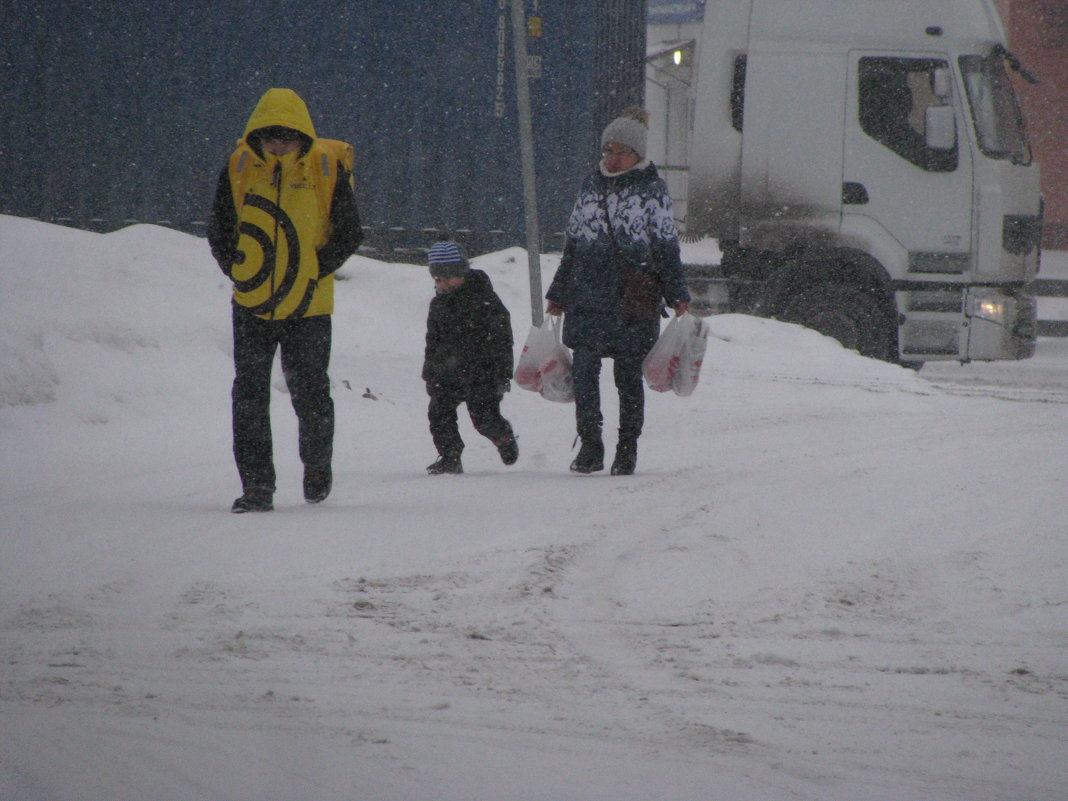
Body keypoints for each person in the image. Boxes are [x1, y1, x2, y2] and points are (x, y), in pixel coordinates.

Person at [207, 88, 363, 512]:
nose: (278, 145)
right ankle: (257, 486)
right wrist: (240, 271)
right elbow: (220, 226)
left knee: (310, 392)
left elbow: (350, 231)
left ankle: (316, 466)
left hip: (309, 307)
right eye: (271, 138)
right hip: (253, 305)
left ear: (302, 137)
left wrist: (311, 271)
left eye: (287, 138)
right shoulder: (239, 165)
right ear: (256, 135)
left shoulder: (326, 166)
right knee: (249, 394)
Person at [545, 107, 690, 476]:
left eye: (621, 150)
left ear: (638, 154)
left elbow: (666, 247)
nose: (612, 157)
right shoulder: (590, 185)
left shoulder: (652, 190)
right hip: (587, 295)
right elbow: (574, 244)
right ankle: (591, 444)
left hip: (633, 299)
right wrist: (559, 291)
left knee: (627, 376)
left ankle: (627, 448)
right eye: (608, 149)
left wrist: (677, 295)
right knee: (584, 372)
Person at [422, 241, 518, 475]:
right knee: (439, 414)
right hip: (446, 372)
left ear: (463, 273)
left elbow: (503, 340)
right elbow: (433, 341)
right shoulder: (438, 304)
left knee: (483, 419)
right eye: (437, 279)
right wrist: (430, 372)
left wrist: (502, 373)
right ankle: (449, 456)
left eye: (449, 277)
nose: (442, 283)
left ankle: (502, 437)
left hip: (482, 373)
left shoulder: (484, 300)